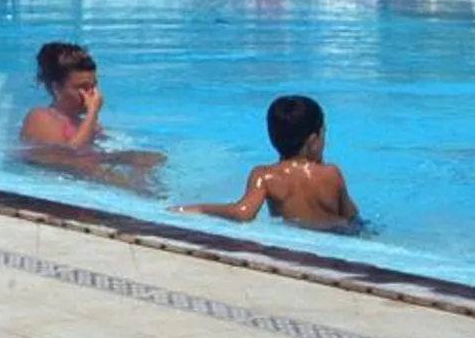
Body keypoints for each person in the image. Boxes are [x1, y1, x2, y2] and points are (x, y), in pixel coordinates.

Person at [174, 94, 360, 230]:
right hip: (338, 235)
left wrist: (198, 208)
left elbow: (243, 212)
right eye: (324, 133)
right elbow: (352, 218)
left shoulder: (265, 175)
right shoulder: (332, 173)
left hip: (298, 239)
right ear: (313, 140)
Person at [19, 42, 165, 187]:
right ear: (56, 88)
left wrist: (131, 158)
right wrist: (93, 111)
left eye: (93, 86)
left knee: (150, 159)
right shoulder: (41, 116)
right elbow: (70, 154)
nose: (93, 94)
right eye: (82, 87)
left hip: (81, 172)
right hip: (56, 178)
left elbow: (100, 152)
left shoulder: (88, 124)